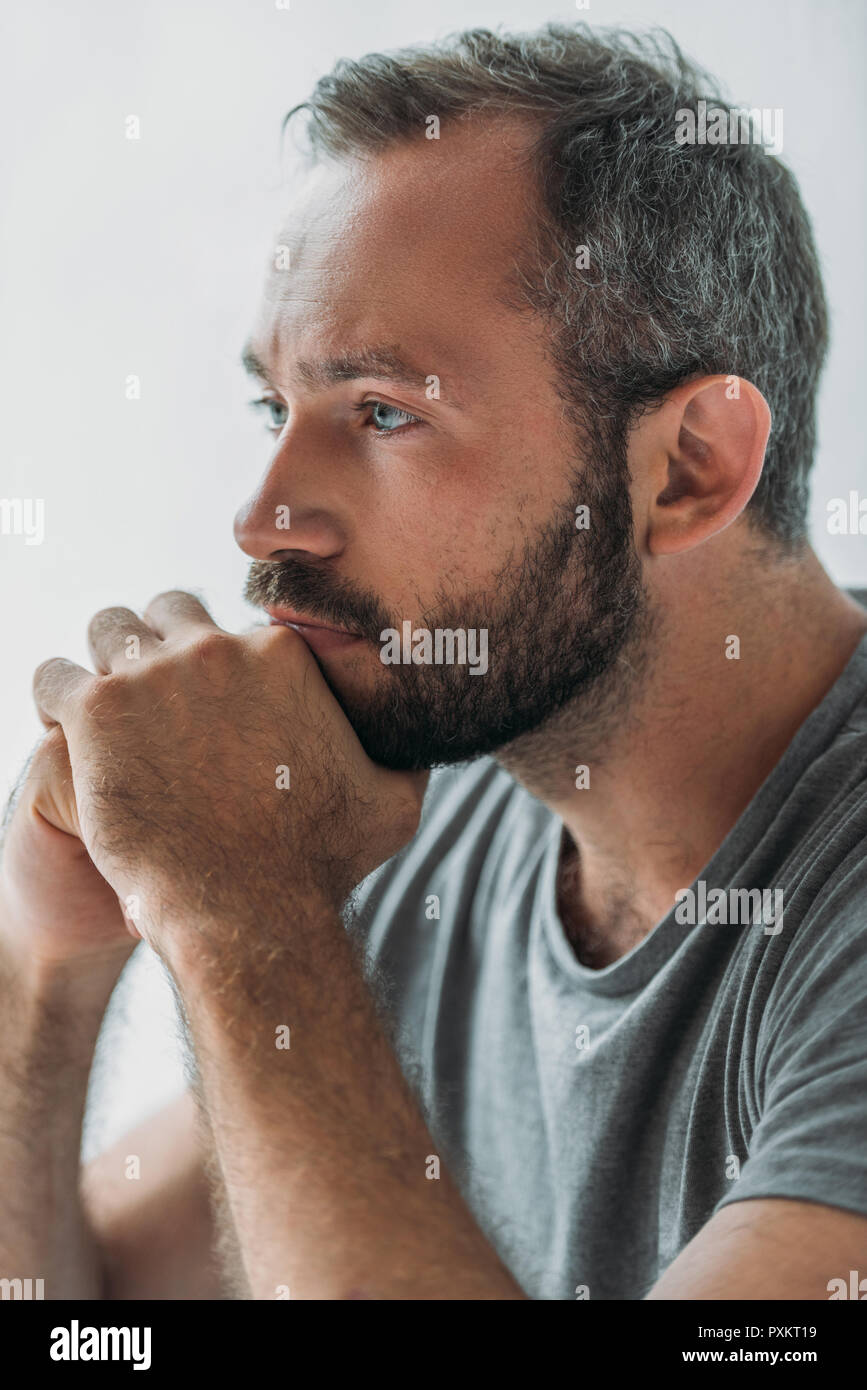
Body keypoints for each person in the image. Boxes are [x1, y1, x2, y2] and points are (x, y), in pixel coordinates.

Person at [2, 23, 866, 1301]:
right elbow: (87, 1317)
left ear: (688, 468)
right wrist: (48, 963)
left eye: (386, 411)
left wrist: (245, 908)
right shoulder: (445, 808)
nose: (261, 517)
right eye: (274, 407)